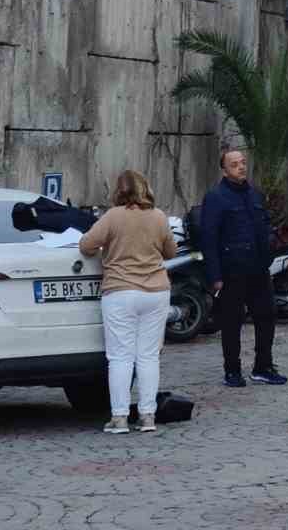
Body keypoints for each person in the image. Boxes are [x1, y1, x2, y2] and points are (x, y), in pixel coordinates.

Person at [79, 170, 177, 434]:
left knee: (120, 357)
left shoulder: (113, 216)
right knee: (148, 356)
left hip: (120, 290)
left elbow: (86, 245)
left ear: (119, 191)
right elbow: (171, 251)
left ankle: (119, 417)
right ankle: (147, 416)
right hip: (156, 291)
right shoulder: (158, 217)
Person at [200, 148, 286, 388]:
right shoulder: (216, 197)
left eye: (243, 162)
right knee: (231, 321)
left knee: (266, 315)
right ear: (225, 170)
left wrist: (269, 251)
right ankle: (232, 370)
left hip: (258, 268)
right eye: (234, 164)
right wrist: (215, 275)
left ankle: (263, 366)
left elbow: (265, 226)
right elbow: (209, 237)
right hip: (232, 270)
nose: (240, 167)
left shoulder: (255, 194)